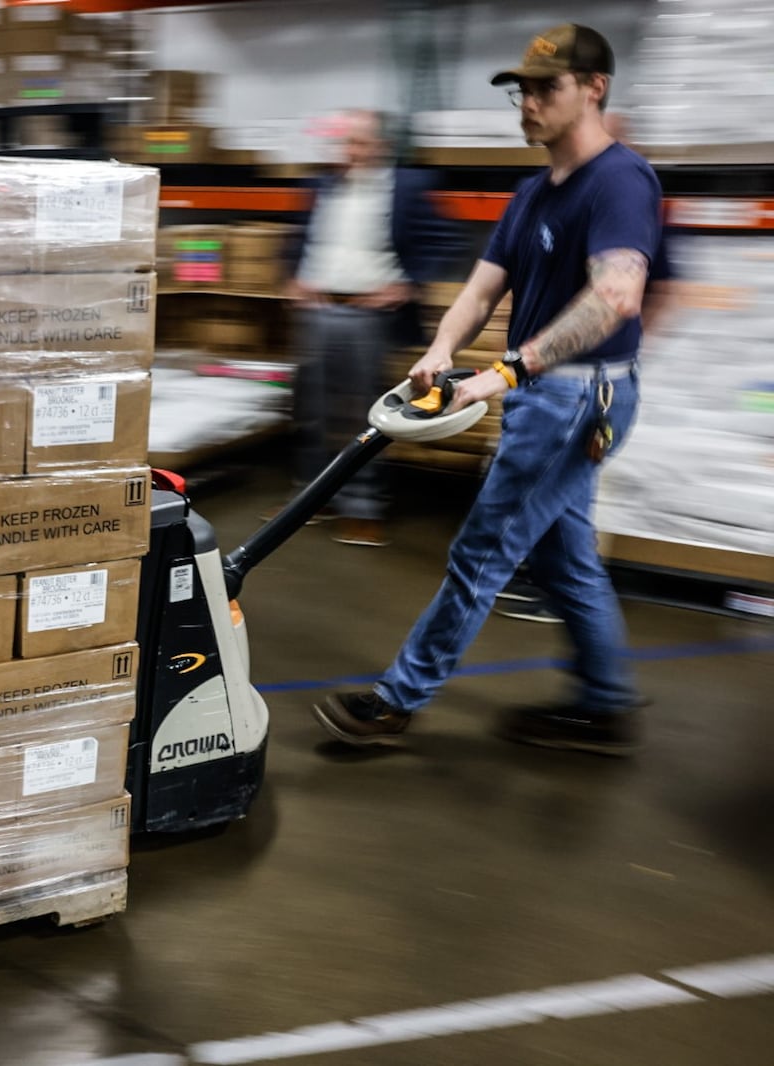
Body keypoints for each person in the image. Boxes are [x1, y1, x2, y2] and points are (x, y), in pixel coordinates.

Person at [312, 24, 664, 755]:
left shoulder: (621, 181)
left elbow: (616, 298)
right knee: (565, 557)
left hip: (574, 397)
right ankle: (607, 704)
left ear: (594, 87)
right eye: (522, 90)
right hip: (551, 394)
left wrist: (505, 373)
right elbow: (480, 290)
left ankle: (396, 701)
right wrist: (441, 348)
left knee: (483, 551)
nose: (528, 103)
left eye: (547, 88)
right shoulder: (534, 192)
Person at [492, 108, 679, 626]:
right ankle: (598, 676)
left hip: (583, 388)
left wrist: (624, 354)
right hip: (545, 381)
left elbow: (653, 290)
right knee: (568, 527)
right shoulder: (551, 194)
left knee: (496, 543)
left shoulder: (630, 195)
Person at [275, 109, 457, 548]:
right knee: (313, 412)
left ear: (379, 145)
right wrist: (293, 276)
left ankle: (362, 507)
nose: (349, 152)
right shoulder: (321, 186)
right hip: (318, 312)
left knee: (367, 416)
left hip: (368, 318)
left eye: (358, 143)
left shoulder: (408, 188)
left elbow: (444, 239)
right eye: (345, 143)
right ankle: (310, 500)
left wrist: (407, 285)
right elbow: (297, 239)